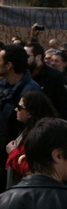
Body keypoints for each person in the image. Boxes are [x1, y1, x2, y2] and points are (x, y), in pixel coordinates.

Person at [0, 45, 42, 191]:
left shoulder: (30, 91)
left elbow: (32, 128)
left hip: (15, 158)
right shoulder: (3, 87)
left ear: (9, 65)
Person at [5, 91, 58, 186]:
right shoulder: (30, 130)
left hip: (31, 190)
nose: (16, 109)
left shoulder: (40, 136)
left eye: (20, 107)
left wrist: (13, 153)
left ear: (30, 113)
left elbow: (32, 170)